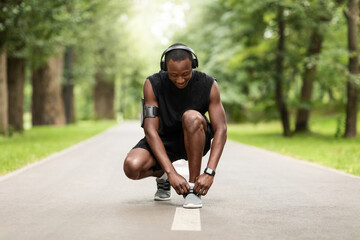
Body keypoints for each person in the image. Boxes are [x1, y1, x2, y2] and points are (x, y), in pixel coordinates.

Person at [123, 43, 227, 208]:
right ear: (165, 68)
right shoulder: (152, 84)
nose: (180, 80)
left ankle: (193, 189)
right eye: (173, 75)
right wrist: (171, 173)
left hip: (196, 136)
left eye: (186, 74)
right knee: (132, 167)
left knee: (191, 117)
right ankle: (163, 175)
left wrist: (209, 172)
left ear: (193, 65)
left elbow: (221, 129)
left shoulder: (209, 85)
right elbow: (150, 130)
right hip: (163, 139)